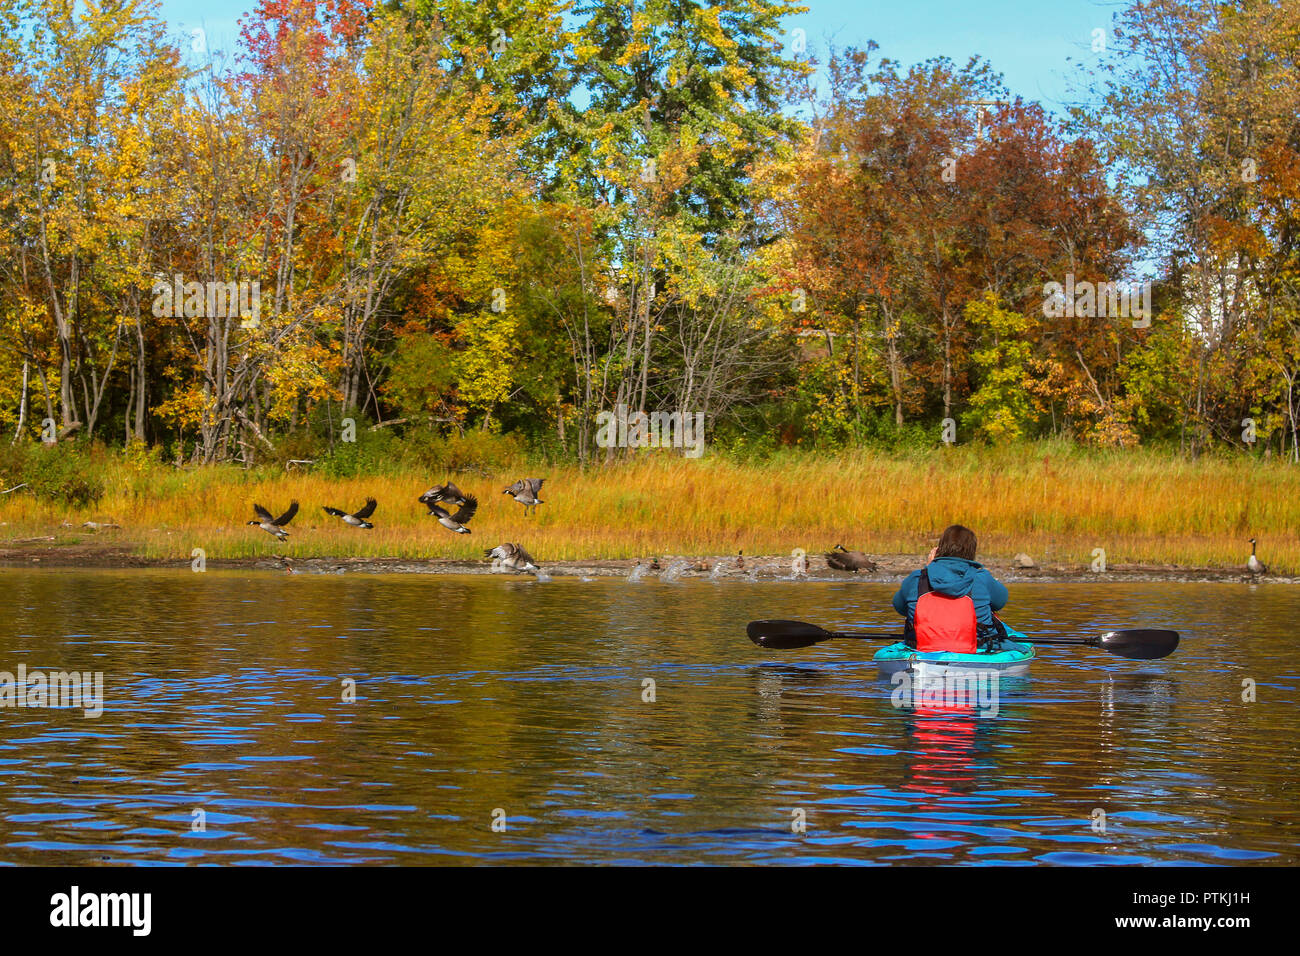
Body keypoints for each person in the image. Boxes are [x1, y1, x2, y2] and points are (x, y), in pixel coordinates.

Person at [891, 524, 1009, 652]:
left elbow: (900, 607)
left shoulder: (917, 578)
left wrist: (929, 569)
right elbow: (1000, 601)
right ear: (972, 551)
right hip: (977, 646)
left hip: (922, 647)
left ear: (940, 549)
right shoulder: (981, 578)